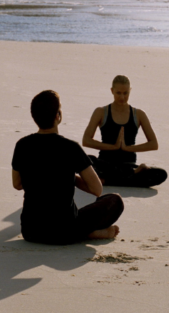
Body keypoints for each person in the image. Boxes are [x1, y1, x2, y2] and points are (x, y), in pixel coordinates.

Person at [12, 90, 124, 244]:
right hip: (64, 231)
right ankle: (87, 233)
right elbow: (96, 189)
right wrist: (72, 178)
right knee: (114, 201)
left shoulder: (22, 145)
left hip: (31, 231)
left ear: (35, 117)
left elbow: (17, 184)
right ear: (58, 116)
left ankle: (85, 233)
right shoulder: (71, 148)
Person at [82, 75, 167, 188]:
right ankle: (129, 177)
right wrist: (113, 147)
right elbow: (86, 140)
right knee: (85, 160)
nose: (122, 97)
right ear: (112, 91)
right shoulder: (101, 112)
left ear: (130, 91)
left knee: (161, 174)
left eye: (125, 93)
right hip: (105, 164)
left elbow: (153, 144)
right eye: (118, 93)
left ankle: (108, 180)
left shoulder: (139, 114)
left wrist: (127, 148)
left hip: (128, 165)